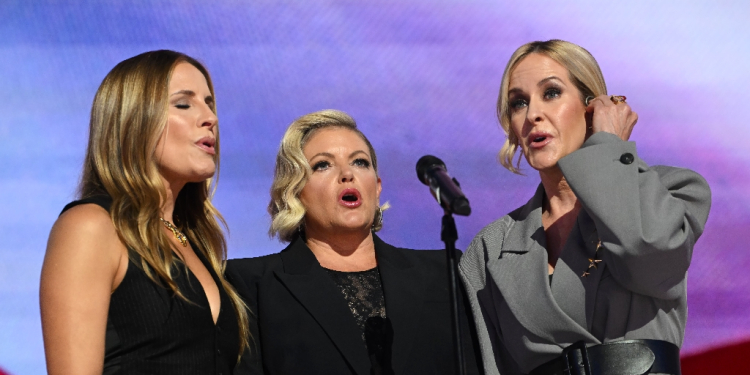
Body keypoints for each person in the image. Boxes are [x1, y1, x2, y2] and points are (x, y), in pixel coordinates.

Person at [459, 40, 711, 375]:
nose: (532, 114)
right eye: (519, 102)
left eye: (550, 93)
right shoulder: (490, 250)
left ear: (593, 107)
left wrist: (608, 146)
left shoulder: (673, 190)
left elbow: (647, 253)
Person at [40, 50, 249, 375]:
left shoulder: (193, 239)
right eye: (184, 103)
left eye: (209, 103)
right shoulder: (91, 226)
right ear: (134, 119)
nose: (211, 117)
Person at [227, 110, 482, 375]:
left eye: (360, 162)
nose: (347, 174)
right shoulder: (251, 285)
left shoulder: (442, 272)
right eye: (323, 165)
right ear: (294, 191)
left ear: (377, 186)